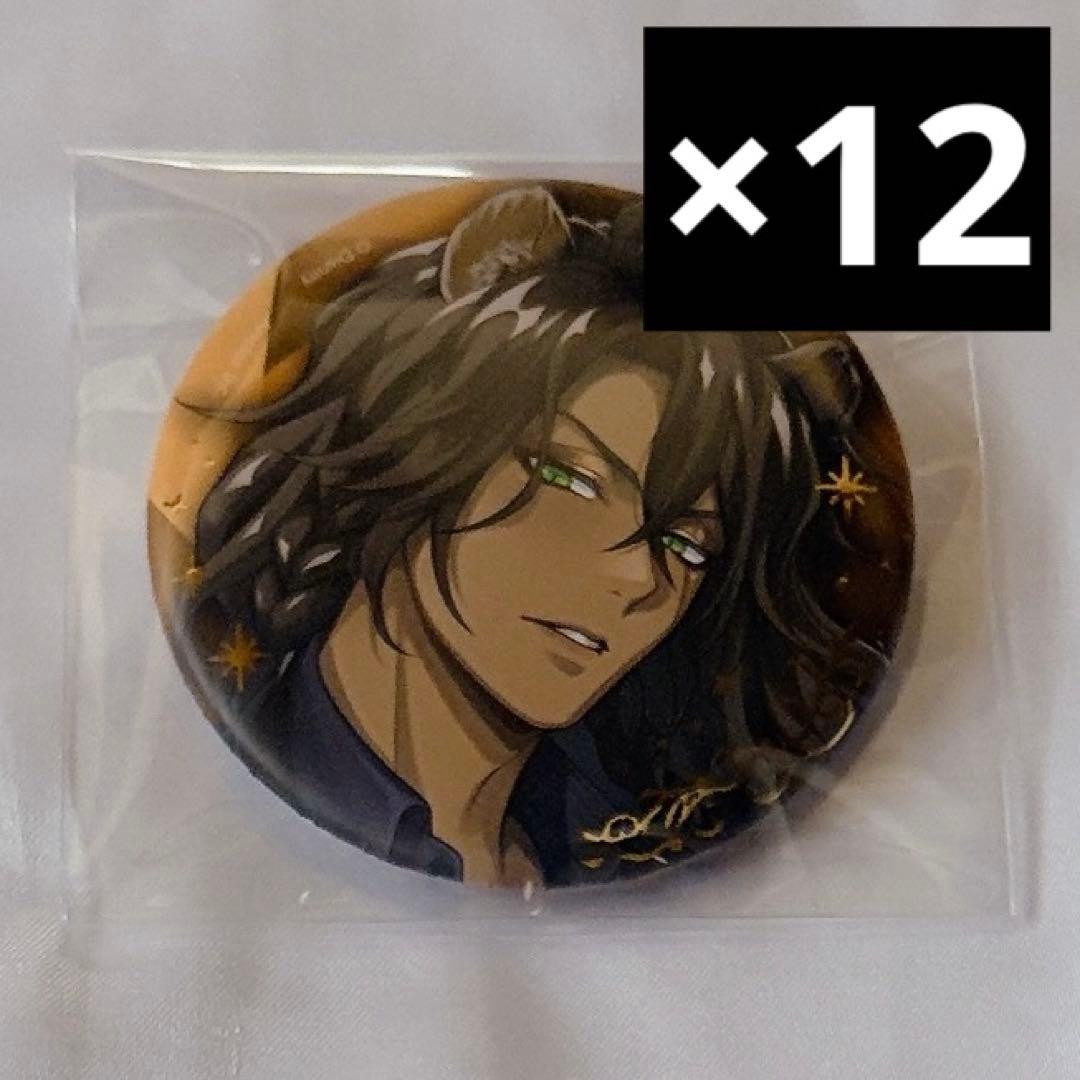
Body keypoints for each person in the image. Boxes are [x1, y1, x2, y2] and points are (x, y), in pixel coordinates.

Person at [176, 184, 899, 887]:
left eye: (686, 545)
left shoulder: (628, 819)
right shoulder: (255, 777)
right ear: (416, 440)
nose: (640, 579)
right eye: (570, 479)